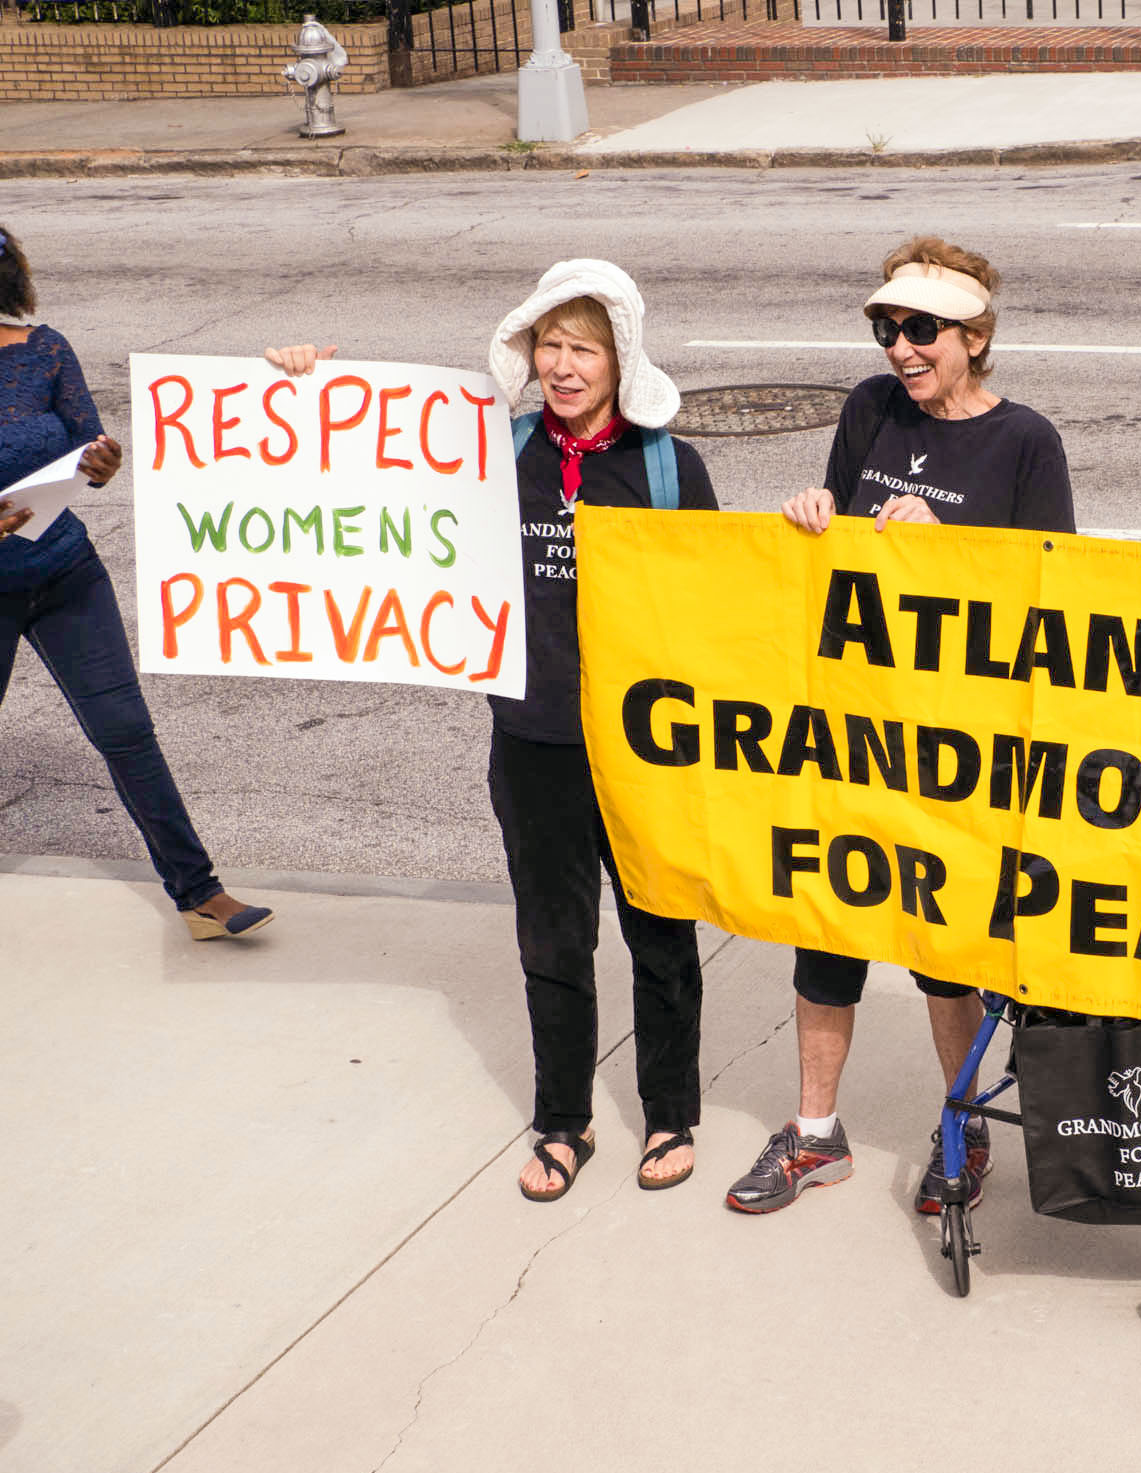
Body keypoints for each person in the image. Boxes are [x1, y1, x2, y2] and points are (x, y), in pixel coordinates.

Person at [270, 259, 717, 1203]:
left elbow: (723, 606)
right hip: (533, 740)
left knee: (660, 939)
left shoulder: (667, 464)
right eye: (548, 345)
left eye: (582, 349)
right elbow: (361, 490)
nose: (561, 366)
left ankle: (671, 1113)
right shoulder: (490, 452)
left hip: (644, 751)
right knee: (552, 942)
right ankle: (565, 1122)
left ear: (619, 359)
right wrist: (303, 389)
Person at [729, 235, 1076, 1217]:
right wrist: (814, 512)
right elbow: (839, 529)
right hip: (853, 727)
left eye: (920, 330)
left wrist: (953, 550)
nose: (898, 348)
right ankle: (812, 1137)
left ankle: (961, 1131)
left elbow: (1056, 595)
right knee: (827, 934)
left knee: (941, 953)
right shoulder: (868, 408)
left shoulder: (1023, 443)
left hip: (952, 747)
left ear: (973, 337)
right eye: (887, 328)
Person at [0, 224, 272, 941]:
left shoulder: (45, 350)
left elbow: (91, 444)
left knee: (126, 732)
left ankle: (200, 895)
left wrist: (101, 461)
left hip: (64, 572)